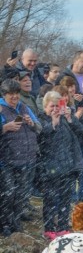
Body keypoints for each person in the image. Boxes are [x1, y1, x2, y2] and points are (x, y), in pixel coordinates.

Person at [37, 91, 83, 240]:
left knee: (65, 199)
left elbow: (81, 133)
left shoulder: (65, 119)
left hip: (67, 166)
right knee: (50, 200)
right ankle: (49, 228)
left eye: (58, 106)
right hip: (49, 167)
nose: (55, 109)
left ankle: (63, 226)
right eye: (52, 106)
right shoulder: (40, 118)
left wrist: (70, 117)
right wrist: (53, 124)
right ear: (45, 106)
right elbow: (41, 139)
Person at [0, 78, 42, 236]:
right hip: (7, 159)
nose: (14, 97)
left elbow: (39, 128)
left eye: (16, 94)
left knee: (22, 192)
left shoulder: (24, 107)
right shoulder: (0, 108)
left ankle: (15, 221)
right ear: (4, 95)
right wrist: (4, 127)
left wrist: (31, 123)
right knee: (8, 193)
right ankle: (4, 224)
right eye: (10, 94)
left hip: (27, 158)